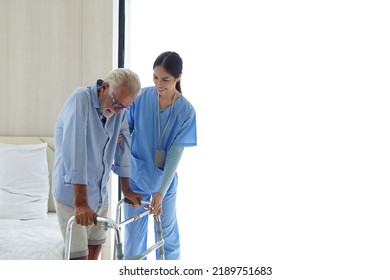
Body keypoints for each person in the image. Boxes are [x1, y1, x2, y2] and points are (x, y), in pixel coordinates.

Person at [52, 68, 141, 260]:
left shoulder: (118, 109)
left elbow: (124, 144)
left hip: (100, 194)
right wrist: (81, 203)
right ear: (105, 87)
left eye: (123, 108)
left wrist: (126, 188)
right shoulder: (81, 99)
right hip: (73, 196)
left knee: (94, 256)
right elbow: (76, 150)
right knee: (79, 260)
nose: (117, 111)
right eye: (116, 103)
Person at [122, 51, 197, 260]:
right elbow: (125, 131)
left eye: (166, 79)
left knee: (167, 238)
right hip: (135, 179)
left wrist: (160, 193)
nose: (159, 83)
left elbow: (174, 155)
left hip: (164, 183)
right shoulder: (141, 98)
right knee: (133, 242)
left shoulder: (186, 111)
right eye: (155, 77)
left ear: (178, 77)